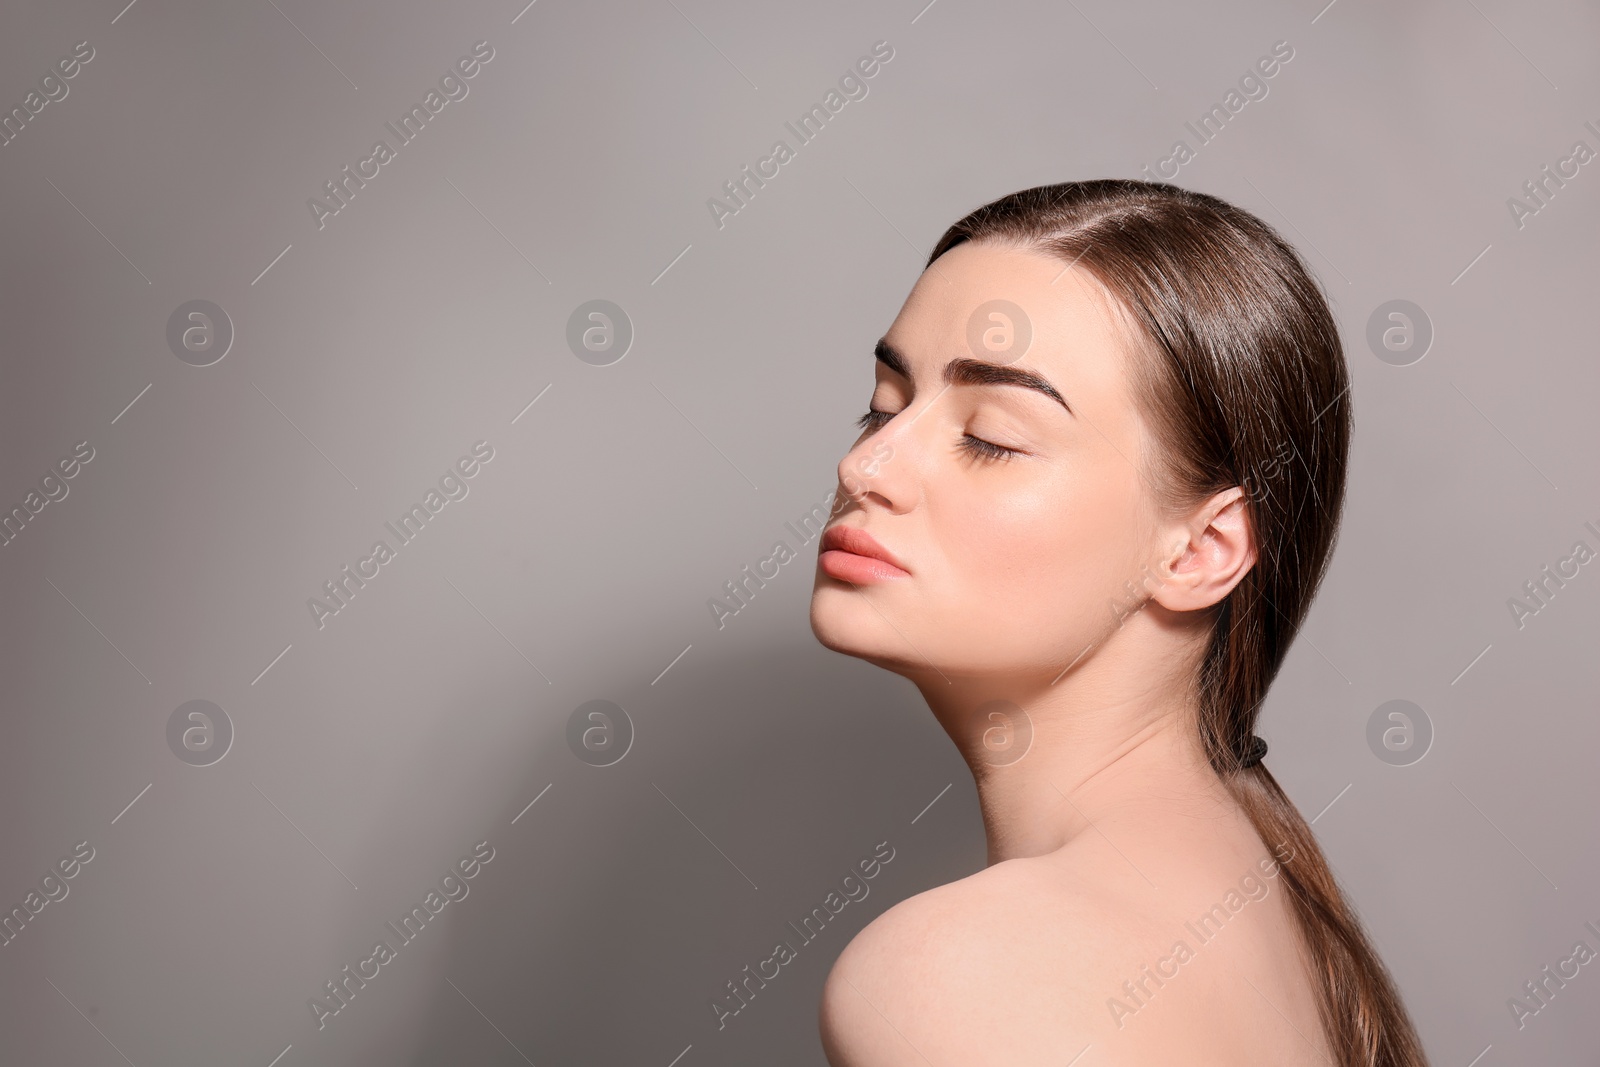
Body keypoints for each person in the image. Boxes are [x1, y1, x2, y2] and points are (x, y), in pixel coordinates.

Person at [808, 179, 1429, 1066]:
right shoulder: (1264, 895)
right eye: (885, 402)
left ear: (1202, 548)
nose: (865, 463)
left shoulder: (960, 976)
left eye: (991, 435)